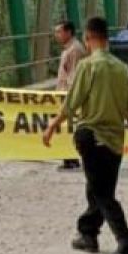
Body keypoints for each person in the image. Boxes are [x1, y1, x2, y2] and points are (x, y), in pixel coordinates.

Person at [42, 15, 128, 254]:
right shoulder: (121, 68)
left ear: (88, 38)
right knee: (99, 188)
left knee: (102, 192)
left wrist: (51, 125)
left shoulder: (88, 66)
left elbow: (72, 103)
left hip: (91, 135)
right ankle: (88, 233)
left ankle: (127, 243)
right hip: (115, 140)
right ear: (107, 37)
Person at [53, 20, 87, 171]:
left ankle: (72, 158)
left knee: (71, 127)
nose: (56, 35)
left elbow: (73, 77)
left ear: (68, 32)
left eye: (59, 32)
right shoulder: (69, 49)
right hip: (64, 93)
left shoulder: (74, 50)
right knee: (68, 128)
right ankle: (69, 158)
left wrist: (69, 98)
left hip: (69, 95)